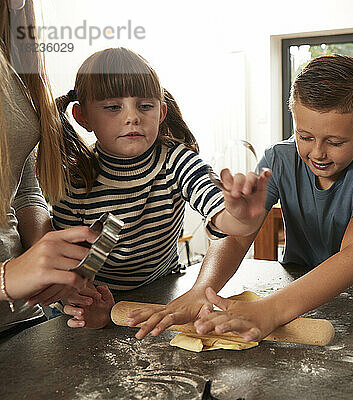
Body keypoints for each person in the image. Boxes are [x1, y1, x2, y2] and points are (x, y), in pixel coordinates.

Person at [129, 54, 353, 342]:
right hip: (297, 289)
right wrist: (201, 291)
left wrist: (270, 311)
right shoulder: (279, 159)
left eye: (335, 142)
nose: (318, 152)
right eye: (305, 136)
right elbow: (237, 236)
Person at [45, 47, 271, 329]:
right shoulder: (75, 180)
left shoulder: (176, 160)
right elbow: (66, 265)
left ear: (161, 112)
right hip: (93, 299)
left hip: (159, 292)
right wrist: (89, 304)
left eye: (145, 106)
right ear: (83, 117)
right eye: (113, 107)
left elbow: (221, 216)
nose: (132, 117)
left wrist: (238, 215)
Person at [0, 0, 96, 337]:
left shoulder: (12, 57)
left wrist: (48, 255)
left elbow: (23, 189)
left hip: (21, 316)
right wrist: (7, 277)